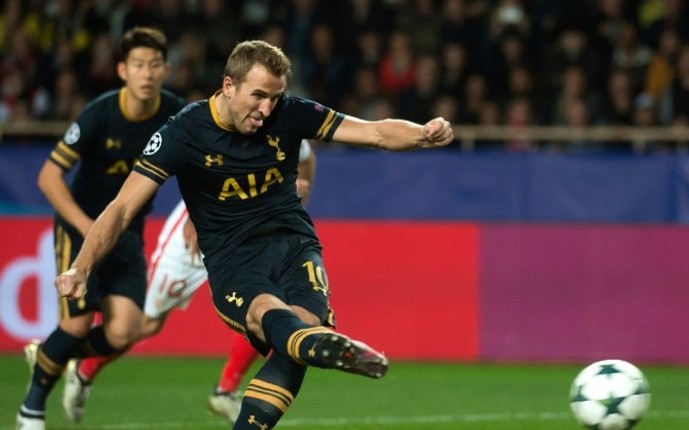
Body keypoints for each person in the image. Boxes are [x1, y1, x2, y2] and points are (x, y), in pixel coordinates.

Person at [53, 39, 453, 430]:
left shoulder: (291, 113)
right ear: (229, 86)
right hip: (233, 258)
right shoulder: (183, 132)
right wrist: (82, 267)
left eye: (275, 97)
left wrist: (423, 134)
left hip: (294, 243)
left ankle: (310, 344)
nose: (266, 109)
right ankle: (314, 345)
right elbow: (122, 207)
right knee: (268, 316)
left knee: (299, 332)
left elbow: (376, 133)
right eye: (258, 95)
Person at [60, 140, 317, 424]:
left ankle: (225, 390)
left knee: (270, 306)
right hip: (197, 233)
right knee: (145, 323)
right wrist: (196, 216)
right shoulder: (225, 125)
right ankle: (80, 366)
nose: (266, 106)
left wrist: (299, 191)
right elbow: (195, 166)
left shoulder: (286, 125)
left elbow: (306, 157)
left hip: (249, 234)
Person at [17, 27, 185, 430]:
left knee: (126, 330)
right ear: (122, 70)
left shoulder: (176, 114)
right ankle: (31, 411)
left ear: (165, 70)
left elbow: (195, 169)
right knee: (76, 324)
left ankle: (49, 355)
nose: (147, 73)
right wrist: (86, 226)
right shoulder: (100, 113)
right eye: (139, 65)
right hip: (81, 226)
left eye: (155, 65)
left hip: (127, 231)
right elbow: (49, 177)